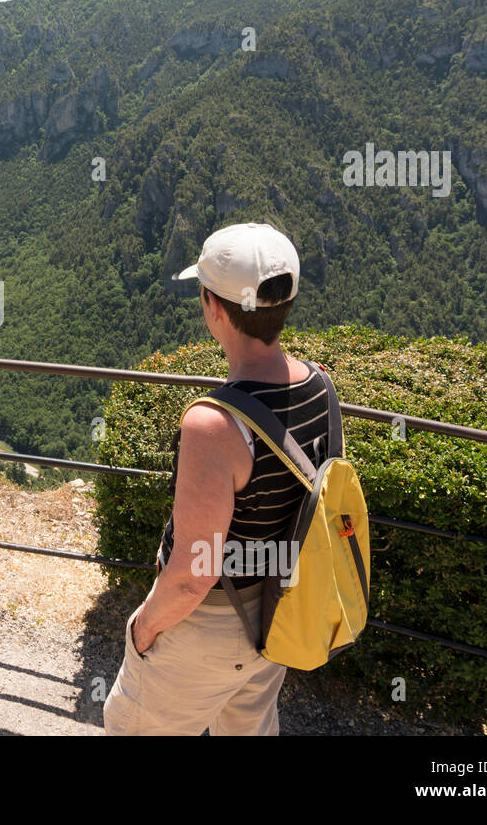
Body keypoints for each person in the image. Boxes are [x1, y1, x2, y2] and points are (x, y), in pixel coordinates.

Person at [102, 222, 331, 736]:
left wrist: (143, 628)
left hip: (206, 626)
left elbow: (192, 574)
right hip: (276, 616)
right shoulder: (320, 385)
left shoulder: (214, 424)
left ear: (214, 308)